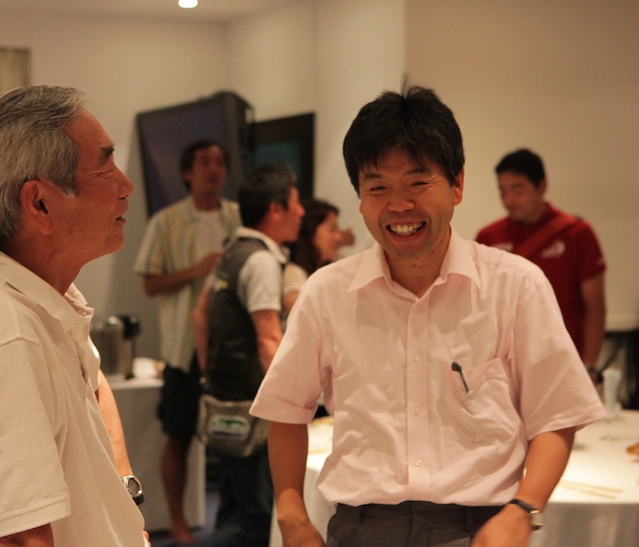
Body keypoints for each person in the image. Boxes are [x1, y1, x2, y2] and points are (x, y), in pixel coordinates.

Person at [250, 87, 606, 547]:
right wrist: (291, 516)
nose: (399, 205)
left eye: (418, 183)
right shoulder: (327, 293)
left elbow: (556, 414)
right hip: (362, 530)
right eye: (378, 187)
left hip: (479, 530)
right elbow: (285, 408)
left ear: (457, 185)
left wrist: (524, 509)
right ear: (360, 198)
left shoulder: (516, 286)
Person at [0, 86, 148, 547]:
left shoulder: (41, 296)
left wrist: (122, 493)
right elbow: (24, 538)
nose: (125, 185)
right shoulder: (5, 328)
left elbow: (91, 380)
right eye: (105, 166)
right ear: (40, 202)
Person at [133, 139, 241, 546]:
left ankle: (233, 519)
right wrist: (195, 270)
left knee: (235, 435)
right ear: (187, 172)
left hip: (231, 346)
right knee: (178, 436)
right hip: (184, 348)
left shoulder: (239, 217)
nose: (214, 169)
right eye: (204, 162)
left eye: (220, 162)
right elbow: (149, 283)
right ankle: (178, 522)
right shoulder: (166, 222)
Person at [192, 163, 304, 547]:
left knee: (231, 507)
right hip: (253, 406)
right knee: (255, 521)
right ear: (275, 209)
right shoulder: (260, 260)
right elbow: (268, 337)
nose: (301, 211)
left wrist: (209, 375)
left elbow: (200, 315)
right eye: (295, 202)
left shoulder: (232, 252)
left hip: (225, 399)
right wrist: (290, 401)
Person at [476, 149, 606, 374]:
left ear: (542, 186)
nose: (508, 200)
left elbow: (595, 306)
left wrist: (590, 365)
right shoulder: (488, 237)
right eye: (502, 191)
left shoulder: (576, 234)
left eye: (517, 190)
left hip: (564, 361)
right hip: (506, 365)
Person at [283, 198, 344, 315]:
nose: (338, 237)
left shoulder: (332, 271)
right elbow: (305, 318)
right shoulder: (293, 273)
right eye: (332, 229)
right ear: (310, 230)